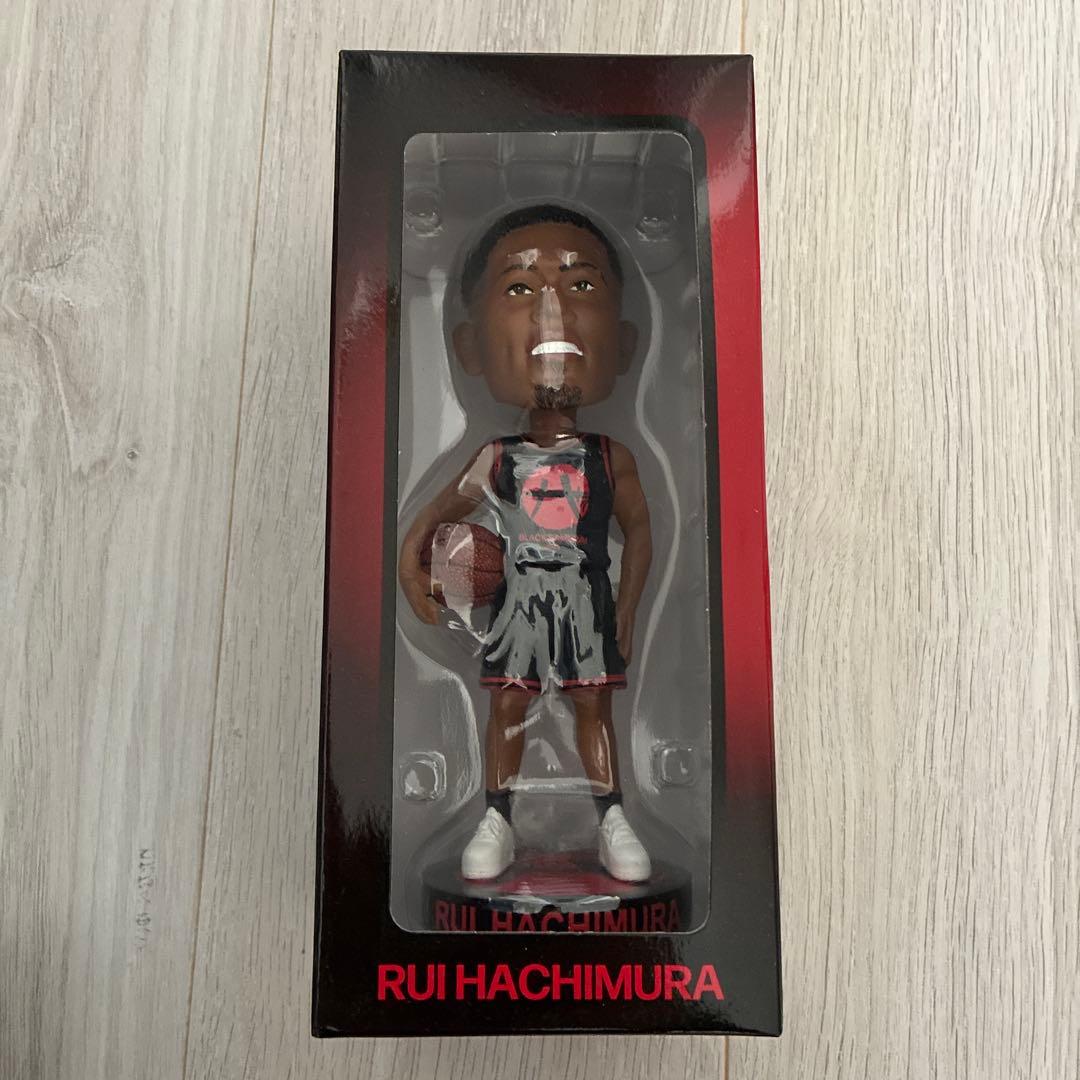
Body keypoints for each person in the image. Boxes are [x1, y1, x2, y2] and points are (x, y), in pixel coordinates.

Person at [398, 204, 652, 882]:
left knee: (592, 708)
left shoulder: (610, 456)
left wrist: (628, 605)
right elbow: (436, 512)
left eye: (581, 285)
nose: (551, 311)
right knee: (508, 704)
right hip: (520, 594)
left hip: (584, 593)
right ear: (469, 351)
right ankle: (497, 818)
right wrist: (410, 565)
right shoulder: (498, 456)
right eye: (518, 287)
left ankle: (612, 816)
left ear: (625, 346)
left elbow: (641, 532)